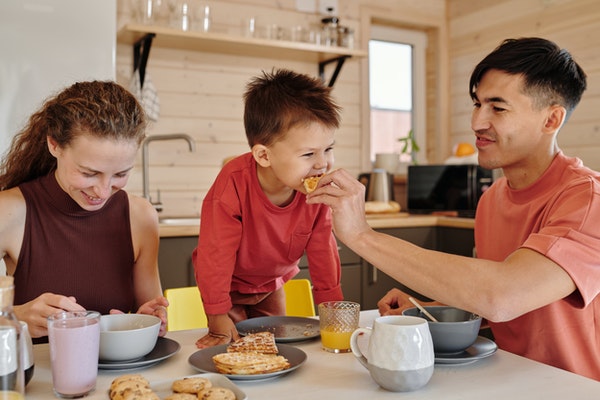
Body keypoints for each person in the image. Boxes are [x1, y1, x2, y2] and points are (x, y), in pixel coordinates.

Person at [307, 37, 600, 381]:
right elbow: (505, 308)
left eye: (498, 107)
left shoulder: (588, 200)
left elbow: (502, 296)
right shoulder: (492, 199)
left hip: (572, 387)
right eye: (477, 104)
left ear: (551, 120)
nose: (477, 122)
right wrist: (427, 308)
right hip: (507, 379)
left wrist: (361, 235)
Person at [0, 80, 168, 340]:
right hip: (36, 377)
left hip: (118, 377)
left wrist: (146, 321)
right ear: (54, 145)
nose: (102, 191)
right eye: (89, 173)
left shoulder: (141, 216)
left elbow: (149, 314)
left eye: (120, 174)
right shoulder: (10, 210)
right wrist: (16, 316)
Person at [193, 69, 344, 348]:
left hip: (271, 285)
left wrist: (332, 311)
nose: (322, 164)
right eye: (309, 154)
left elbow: (324, 251)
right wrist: (216, 314)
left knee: (275, 349)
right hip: (227, 288)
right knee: (232, 346)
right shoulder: (233, 184)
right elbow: (215, 255)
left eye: (328, 149)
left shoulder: (315, 191)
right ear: (264, 155)